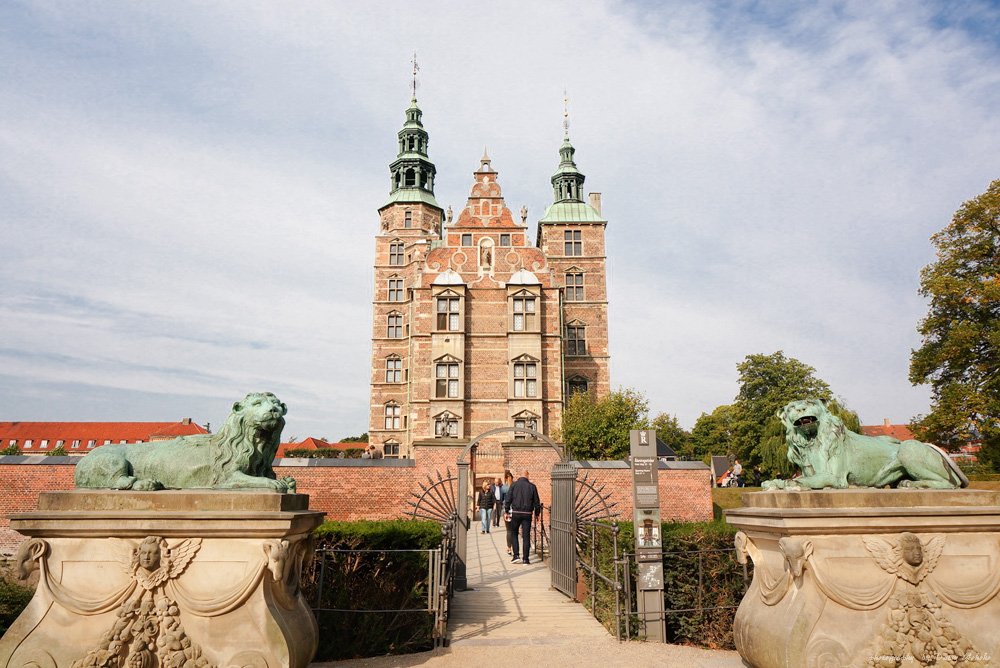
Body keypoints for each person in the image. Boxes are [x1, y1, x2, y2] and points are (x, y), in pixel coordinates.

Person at [504, 469, 541, 565]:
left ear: (520, 476)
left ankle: (516, 555)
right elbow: (536, 502)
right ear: (527, 475)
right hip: (527, 514)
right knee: (526, 536)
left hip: (516, 512)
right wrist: (537, 513)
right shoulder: (532, 487)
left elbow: (508, 498)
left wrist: (507, 510)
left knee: (514, 533)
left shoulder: (514, 485)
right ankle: (526, 559)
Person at [500, 471, 514, 555]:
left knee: (509, 531)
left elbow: (501, 500)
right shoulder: (515, 487)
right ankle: (515, 548)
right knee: (514, 530)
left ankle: (509, 548)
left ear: (505, 478)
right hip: (515, 510)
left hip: (507, 511)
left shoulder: (503, 488)